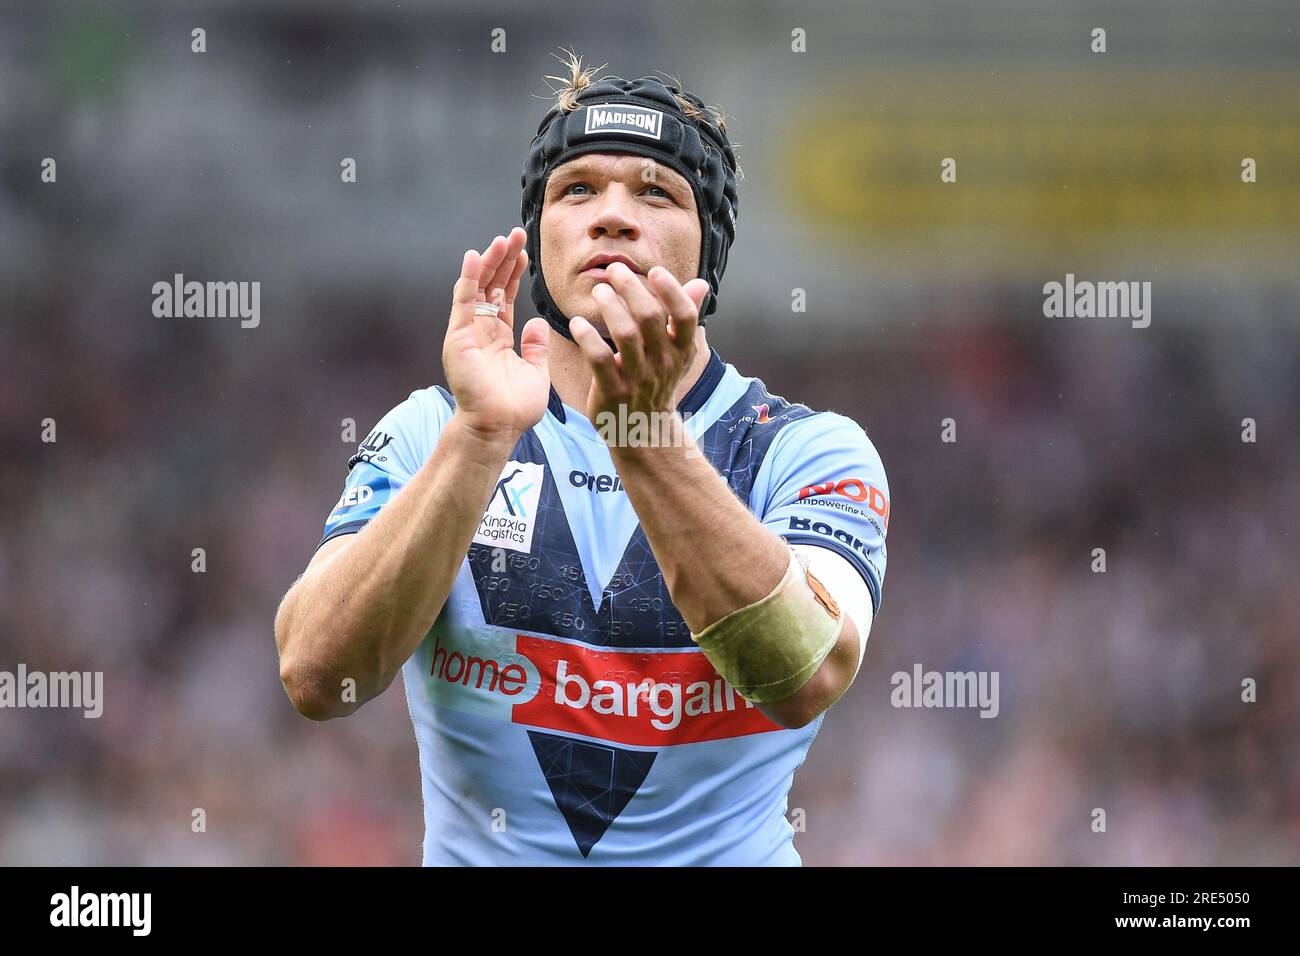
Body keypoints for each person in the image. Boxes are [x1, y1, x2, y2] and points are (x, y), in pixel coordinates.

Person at [274, 55, 890, 865]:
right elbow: (317, 677)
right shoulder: (438, 430)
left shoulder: (806, 450)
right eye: (577, 190)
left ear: (710, 249)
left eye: (656, 192)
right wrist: (478, 439)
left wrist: (648, 440)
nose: (612, 217)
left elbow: (807, 674)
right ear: (537, 239)